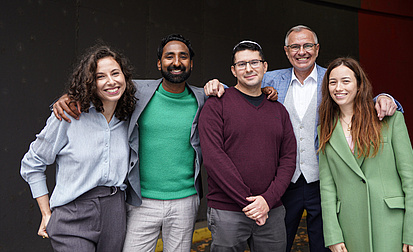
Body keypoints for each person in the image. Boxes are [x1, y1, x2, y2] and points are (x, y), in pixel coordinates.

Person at [51, 34, 278, 252]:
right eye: (169, 56)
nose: (176, 62)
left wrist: (265, 92)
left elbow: (242, 94)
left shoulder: (204, 98)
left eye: (183, 56)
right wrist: (67, 99)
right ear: (159, 64)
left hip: (185, 201)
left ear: (191, 64)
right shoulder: (136, 92)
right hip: (141, 202)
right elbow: (102, 89)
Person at [204, 25, 402, 251]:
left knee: (324, 244)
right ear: (286, 51)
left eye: (307, 45)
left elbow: (358, 94)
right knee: (279, 243)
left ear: (317, 49)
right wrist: (213, 86)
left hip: (323, 179)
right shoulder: (269, 78)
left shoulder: (332, 78)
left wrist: (385, 98)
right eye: (295, 47)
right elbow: (240, 90)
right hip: (283, 186)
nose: (302, 52)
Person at [20, 45, 137, 251]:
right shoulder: (68, 116)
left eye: (115, 73)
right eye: (101, 76)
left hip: (114, 214)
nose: (111, 81)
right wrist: (46, 213)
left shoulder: (130, 117)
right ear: (90, 83)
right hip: (73, 213)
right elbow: (32, 163)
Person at [318, 57, 413, 252]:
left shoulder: (389, 119)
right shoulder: (325, 129)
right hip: (350, 227)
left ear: (359, 85)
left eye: (346, 81)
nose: (338, 87)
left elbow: (410, 178)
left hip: (392, 224)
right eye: (332, 82)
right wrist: (332, 236)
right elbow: (327, 188)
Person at [198, 40, 297, 251]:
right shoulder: (216, 105)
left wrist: (267, 201)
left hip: (272, 211)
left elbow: (288, 159)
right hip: (228, 212)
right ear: (233, 71)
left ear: (265, 66)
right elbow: (214, 160)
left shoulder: (279, 110)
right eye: (242, 64)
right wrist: (250, 204)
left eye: (254, 62)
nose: (249, 69)